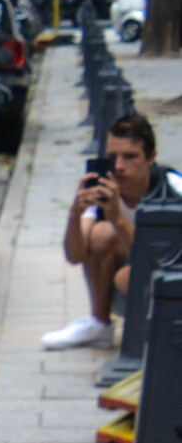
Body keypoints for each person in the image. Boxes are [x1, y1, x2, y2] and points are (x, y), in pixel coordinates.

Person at [50, 111, 182, 348]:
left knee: (126, 277)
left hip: (172, 281)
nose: (119, 166)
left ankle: (158, 340)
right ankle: (99, 324)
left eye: (130, 157)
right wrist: (75, 213)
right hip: (140, 283)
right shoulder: (102, 187)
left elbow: (158, 261)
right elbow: (75, 256)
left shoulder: (172, 189)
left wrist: (117, 218)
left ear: (151, 157)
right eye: (113, 157)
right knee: (101, 234)